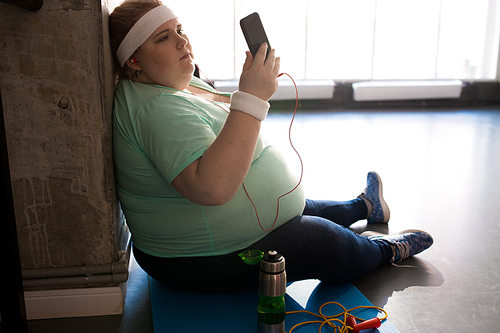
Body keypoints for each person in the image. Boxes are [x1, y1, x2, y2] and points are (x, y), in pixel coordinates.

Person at [109, 0, 433, 292]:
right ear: (133, 60)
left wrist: (251, 87)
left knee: (305, 208)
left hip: (220, 234)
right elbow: (212, 189)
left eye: (179, 29)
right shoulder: (155, 110)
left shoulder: (169, 81)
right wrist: (252, 96)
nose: (182, 41)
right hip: (192, 259)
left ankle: (365, 206)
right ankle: (385, 251)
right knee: (323, 242)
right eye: (163, 37)